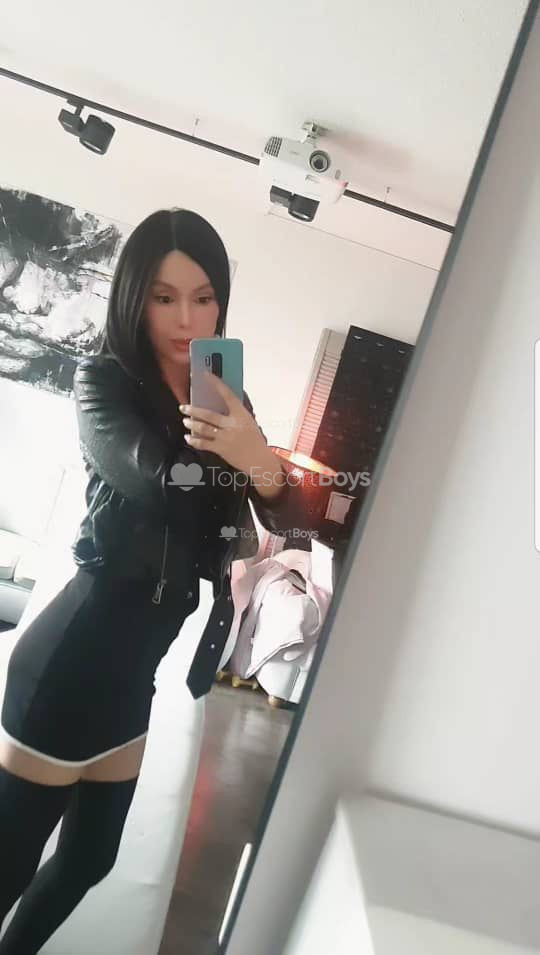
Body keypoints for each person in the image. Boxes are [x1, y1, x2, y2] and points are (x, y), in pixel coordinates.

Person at [0, 208, 292, 951]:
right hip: (71, 661)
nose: (186, 318)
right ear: (135, 298)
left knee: (89, 860)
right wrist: (242, 453)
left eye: (203, 297)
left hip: (133, 676)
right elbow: (164, 485)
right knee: (7, 866)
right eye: (164, 297)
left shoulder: (228, 401)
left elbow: (278, 511)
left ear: (221, 302)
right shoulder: (102, 381)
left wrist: (258, 457)